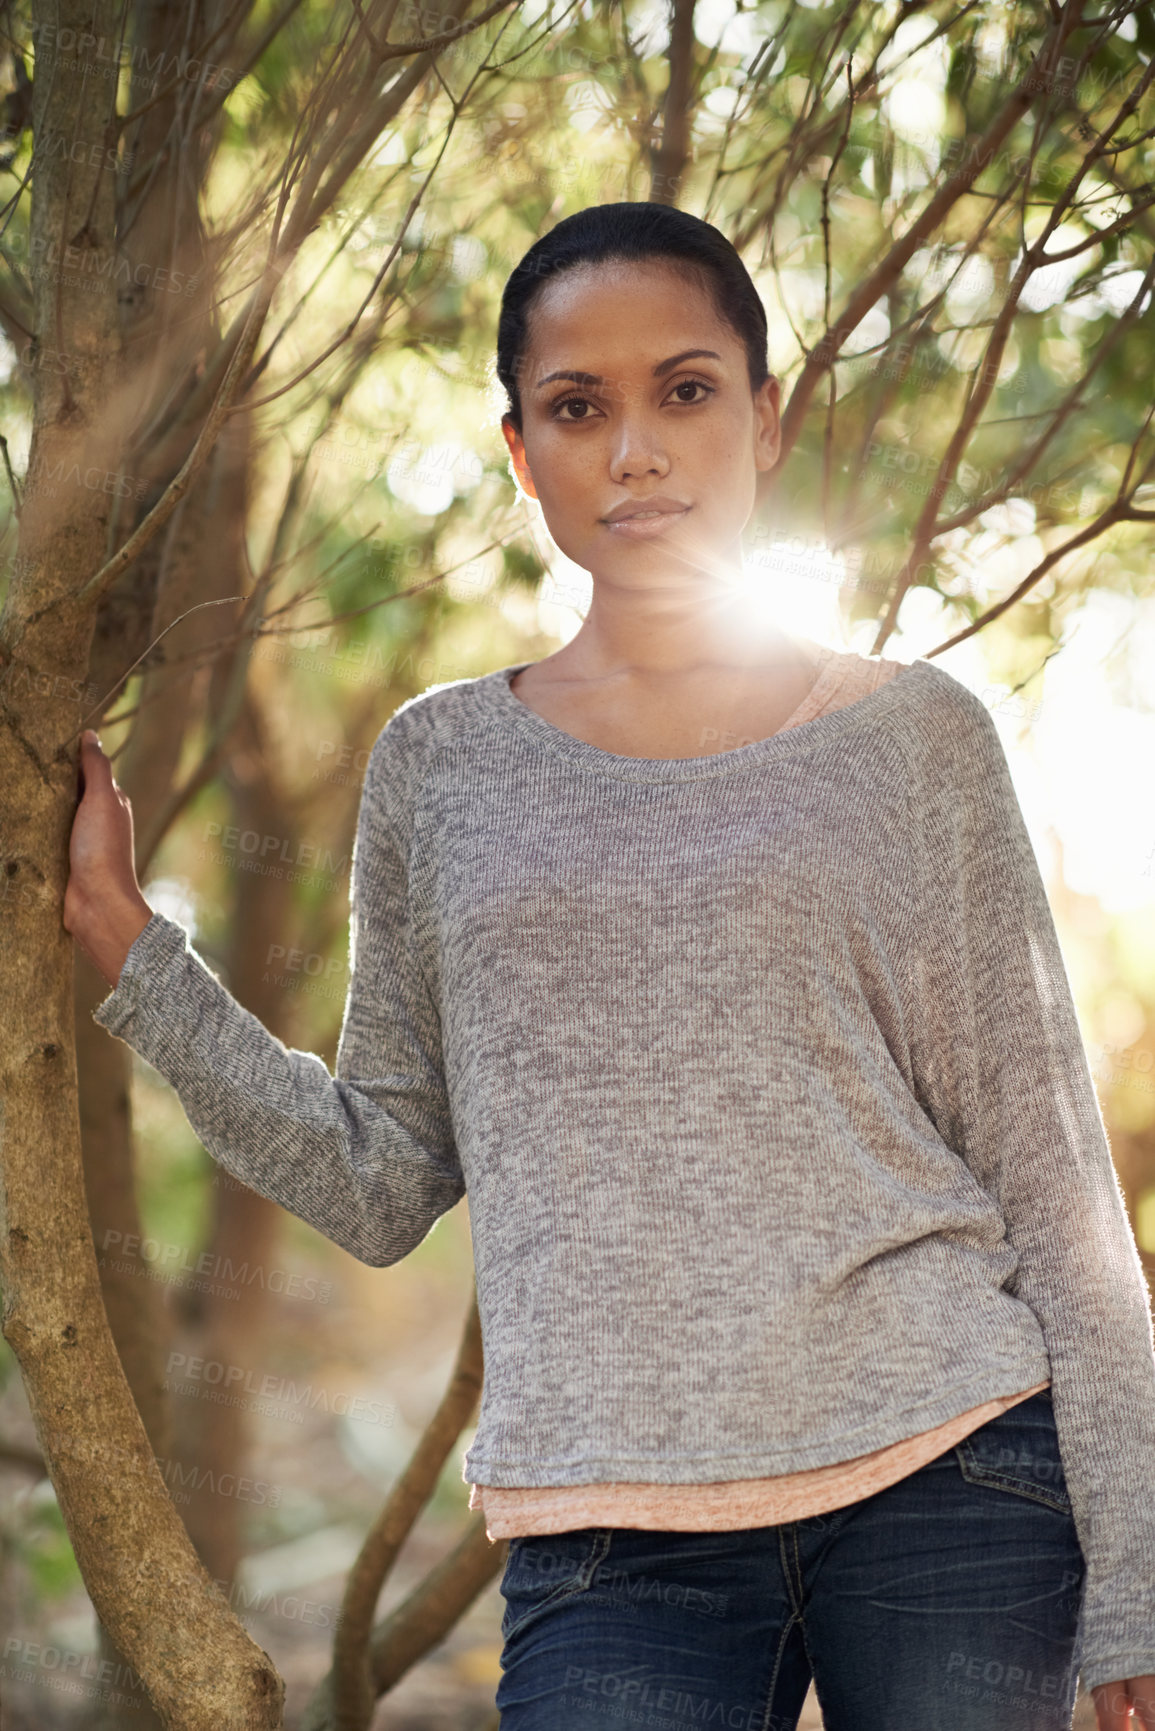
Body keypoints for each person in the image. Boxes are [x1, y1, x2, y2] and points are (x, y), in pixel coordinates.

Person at [65, 202, 1155, 1731]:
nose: (636, 449)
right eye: (580, 408)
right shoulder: (443, 765)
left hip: (954, 1476)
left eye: (687, 391)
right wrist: (130, 944)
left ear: (765, 420)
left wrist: (1139, 1588)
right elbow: (384, 1178)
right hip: (608, 1540)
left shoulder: (919, 741)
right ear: (522, 455)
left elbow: (1055, 1188)